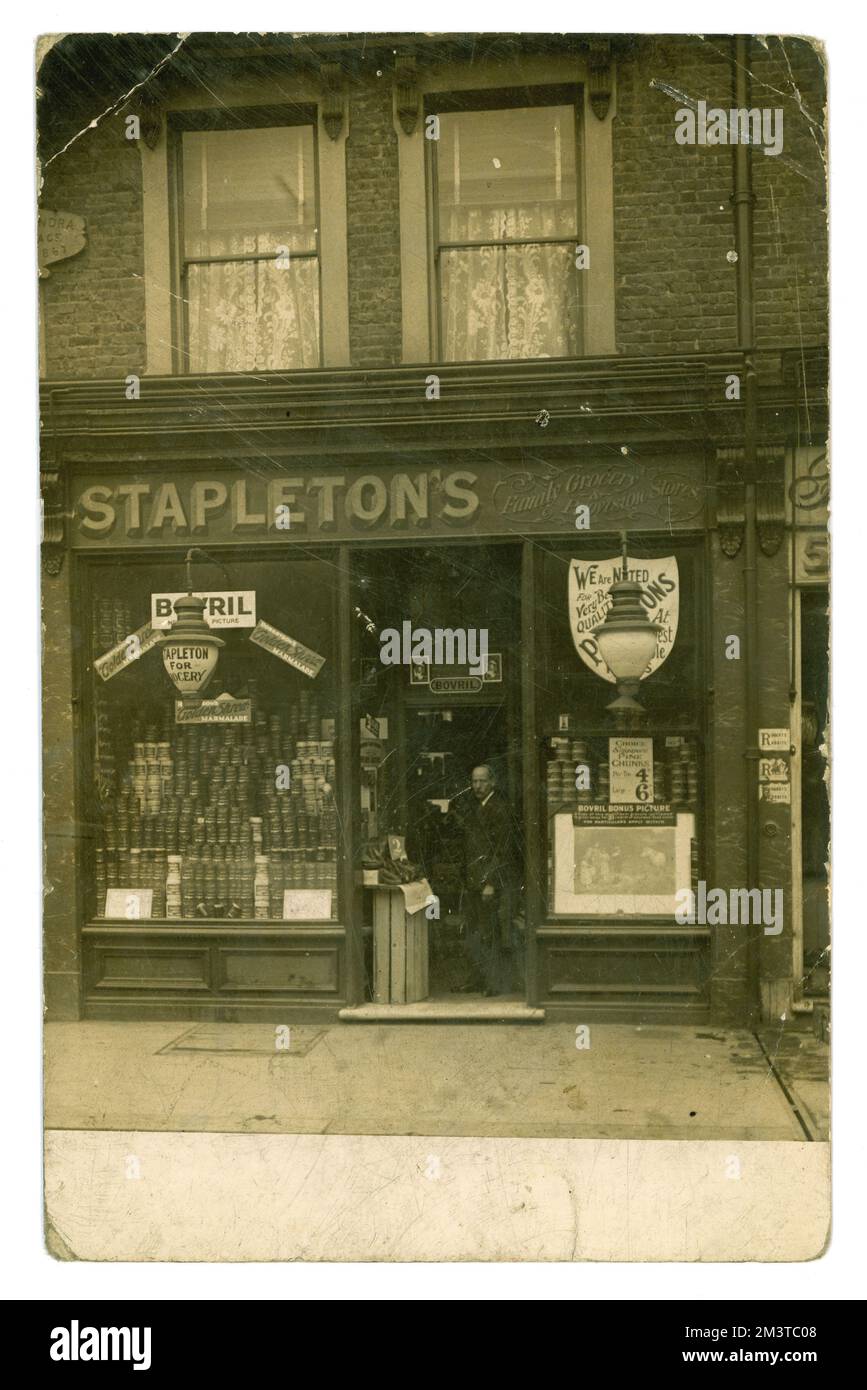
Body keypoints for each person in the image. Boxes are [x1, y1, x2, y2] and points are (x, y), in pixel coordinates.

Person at [449, 764, 518, 997]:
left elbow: (502, 849)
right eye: (474, 781)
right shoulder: (477, 806)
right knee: (474, 932)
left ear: (493, 782)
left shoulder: (499, 808)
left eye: (482, 781)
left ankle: (493, 983)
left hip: (488, 883)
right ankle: (477, 979)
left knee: (490, 933)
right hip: (473, 881)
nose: (477, 786)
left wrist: (490, 882)